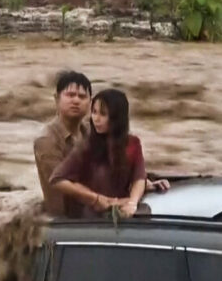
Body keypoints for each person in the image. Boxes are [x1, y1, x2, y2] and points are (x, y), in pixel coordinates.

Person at [49, 88, 148, 218]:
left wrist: (133, 202)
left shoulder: (133, 144)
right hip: (93, 218)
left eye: (103, 114)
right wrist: (95, 198)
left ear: (116, 117)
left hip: (124, 212)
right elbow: (57, 179)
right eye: (94, 112)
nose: (96, 119)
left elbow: (139, 178)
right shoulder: (87, 146)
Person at [33, 70, 93, 218]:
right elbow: (63, 184)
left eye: (82, 96)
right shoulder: (46, 140)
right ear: (56, 99)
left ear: (90, 102)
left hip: (90, 212)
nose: (76, 101)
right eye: (70, 95)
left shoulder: (90, 132)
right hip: (66, 220)